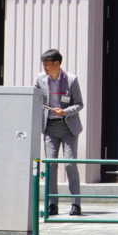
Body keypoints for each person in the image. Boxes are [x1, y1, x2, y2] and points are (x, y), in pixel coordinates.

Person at [35, 49, 84, 216]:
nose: (45, 68)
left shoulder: (71, 79)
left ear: (57, 64)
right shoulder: (40, 79)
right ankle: (52, 203)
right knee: (51, 166)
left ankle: (75, 204)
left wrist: (64, 112)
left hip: (68, 127)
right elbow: (35, 98)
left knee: (70, 164)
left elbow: (79, 104)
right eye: (44, 65)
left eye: (48, 64)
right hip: (49, 127)